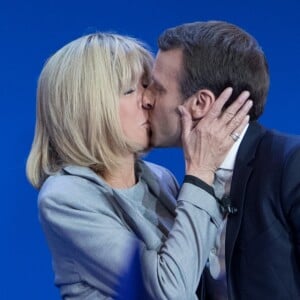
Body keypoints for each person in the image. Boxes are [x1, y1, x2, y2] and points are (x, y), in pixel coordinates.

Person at [26, 32, 251, 299]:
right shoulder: (65, 197)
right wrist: (201, 173)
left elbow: (207, 273)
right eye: (131, 90)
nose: (148, 100)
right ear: (87, 108)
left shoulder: (160, 178)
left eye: (148, 85)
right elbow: (170, 292)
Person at [142, 20, 300, 299]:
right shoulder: (181, 182)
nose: (146, 99)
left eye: (157, 88)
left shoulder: (290, 164)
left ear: (200, 103)